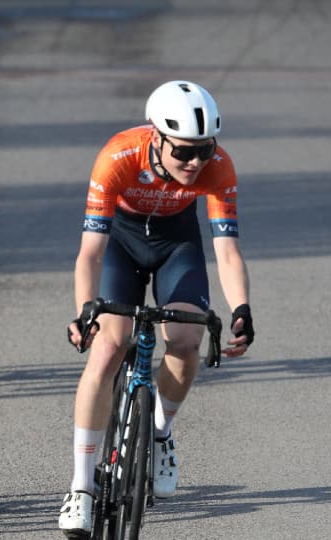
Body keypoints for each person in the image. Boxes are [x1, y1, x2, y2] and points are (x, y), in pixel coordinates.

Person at [57, 81, 255, 536]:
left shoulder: (218, 167)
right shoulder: (118, 156)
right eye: (184, 152)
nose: (194, 163)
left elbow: (227, 251)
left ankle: (161, 433)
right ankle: (81, 487)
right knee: (110, 345)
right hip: (121, 244)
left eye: (204, 151)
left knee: (186, 341)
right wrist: (85, 310)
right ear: (157, 137)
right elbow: (90, 251)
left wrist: (241, 307)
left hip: (175, 244)